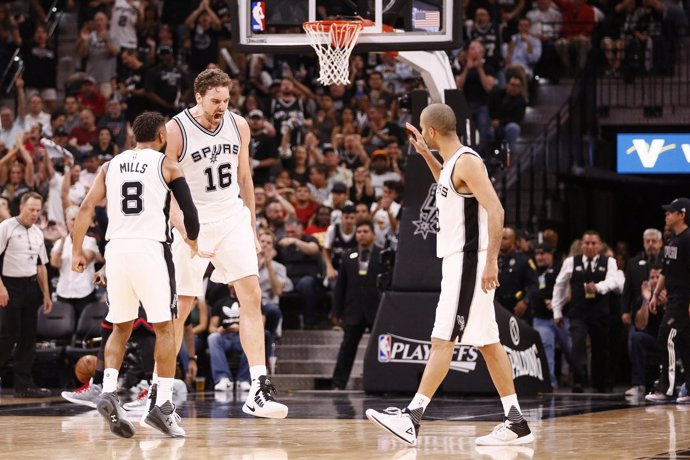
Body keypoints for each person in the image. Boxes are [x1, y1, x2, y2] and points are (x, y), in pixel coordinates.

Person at [365, 103, 534, 446]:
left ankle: (412, 417)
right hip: (461, 261)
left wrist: (491, 261)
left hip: (469, 261)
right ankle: (515, 420)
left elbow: (496, 209)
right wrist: (425, 154)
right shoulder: (452, 165)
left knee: (443, 338)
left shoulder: (468, 161)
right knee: (488, 342)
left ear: (430, 130)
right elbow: (446, 183)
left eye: (424, 131)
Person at [164, 68, 288, 419]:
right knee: (182, 306)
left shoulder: (239, 125)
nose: (221, 106)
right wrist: (183, 228)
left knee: (252, 295)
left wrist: (251, 224)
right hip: (194, 219)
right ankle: (158, 393)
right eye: (215, 101)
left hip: (231, 216)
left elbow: (245, 177)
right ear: (198, 97)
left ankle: (258, 388)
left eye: (226, 100)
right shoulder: (176, 129)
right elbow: (167, 185)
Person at [71, 111, 201, 438]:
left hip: (116, 250)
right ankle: (163, 406)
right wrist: (195, 241)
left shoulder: (108, 166)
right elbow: (189, 212)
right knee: (166, 328)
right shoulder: (167, 165)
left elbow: (85, 209)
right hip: (150, 249)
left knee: (120, 326)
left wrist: (76, 251)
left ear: (132, 138)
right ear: (161, 138)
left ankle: (109, 390)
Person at [551, 230, 622, 393]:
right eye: (587, 243)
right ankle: (578, 380)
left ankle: (600, 382)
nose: (590, 246)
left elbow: (613, 281)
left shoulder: (609, 261)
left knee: (601, 348)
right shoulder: (571, 262)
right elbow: (559, 285)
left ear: (600, 245)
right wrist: (557, 312)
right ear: (581, 245)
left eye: (593, 243)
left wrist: (598, 287)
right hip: (578, 312)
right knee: (577, 344)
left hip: (600, 312)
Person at [0, 192, 52, 397]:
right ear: (21, 207)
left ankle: (23, 386)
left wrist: (47, 295)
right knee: (7, 336)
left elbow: (41, 267)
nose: (34, 214)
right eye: (31, 209)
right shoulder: (6, 227)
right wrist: (1, 287)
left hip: (30, 288)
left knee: (28, 338)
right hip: (9, 287)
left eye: (38, 211)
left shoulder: (38, 232)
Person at [646, 198, 690, 403]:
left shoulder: (689, 239)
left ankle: (668, 388)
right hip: (672, 299)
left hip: (683, 301)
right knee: (684, 343)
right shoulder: (672, 240)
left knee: (666, 336)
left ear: (682, 215)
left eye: (671, 212)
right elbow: (665, 271)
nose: (667, 214)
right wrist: (655, 294)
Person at [331, 220, 382, 389]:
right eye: (359, 231)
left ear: (373, 234)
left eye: (365, 231)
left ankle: (379, 383)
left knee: (379, 350)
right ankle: (338, 383)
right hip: (353, 310)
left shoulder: (383, 255)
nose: (361, 234)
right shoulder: (347, 256)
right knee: (347, 348)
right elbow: (340, 287)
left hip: (377, 311)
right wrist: (336, 312)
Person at [531, 243, 571, 389]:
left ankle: (580, 378)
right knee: (546, 347)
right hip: (541, 319)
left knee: (570, 350)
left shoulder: (560, 268)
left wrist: (557, 302)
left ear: (551, 254)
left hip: (560, 318)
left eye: (543, 254)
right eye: (537, 254)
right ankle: (551, 383)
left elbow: (569, 292)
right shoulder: (533, 270)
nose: (539, 257)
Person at [625, 263, 664, 397]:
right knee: (636, 337)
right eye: (651, 277)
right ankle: (639, 385)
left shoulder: (673, 297)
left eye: (657, 277)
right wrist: (646, 302)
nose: (654, 280)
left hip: (672, 341)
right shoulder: (642, 298)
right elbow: (640, 325)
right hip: (654, 342)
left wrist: (666, 304)